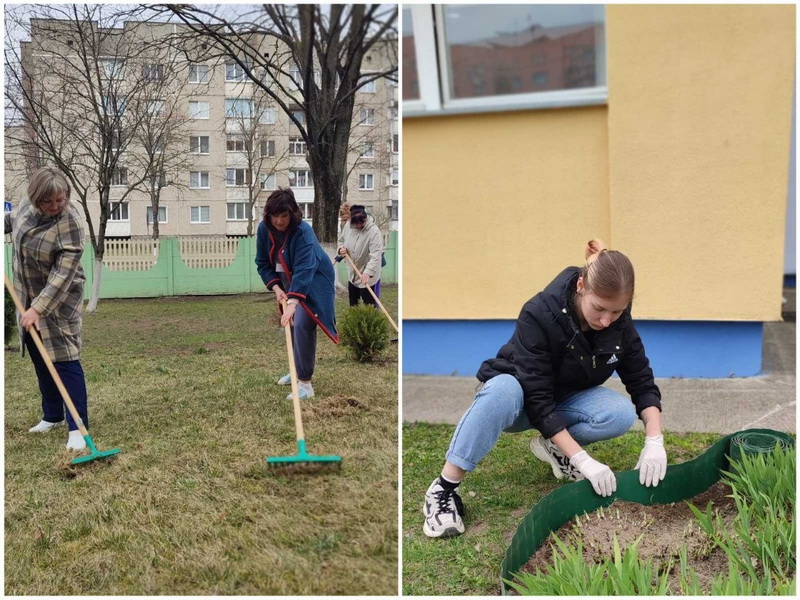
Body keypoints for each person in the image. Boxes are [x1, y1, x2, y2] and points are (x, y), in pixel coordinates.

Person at [422, 239, 668, 538]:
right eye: (599, 309)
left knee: (618, 413)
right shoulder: (539, 313)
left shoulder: (620, 324)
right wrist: (583, 460)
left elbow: (641, 379)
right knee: (503, 391)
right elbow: (537, 399)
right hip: (520, 401)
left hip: (564, 400)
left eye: (616, 312)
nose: (606, 321)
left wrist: (655, 441)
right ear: (581, 286)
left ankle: (555, 448)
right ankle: (443, 489)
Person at [4, 166, 90, 451]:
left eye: (61, 199)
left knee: (64, 359)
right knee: (41, 360)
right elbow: (12, 225)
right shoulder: (26, 212)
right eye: (48, 201)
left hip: (59, 300)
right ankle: (52, 416)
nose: (55, 206)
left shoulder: (70, 223)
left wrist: (39, 308)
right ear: (35, 199)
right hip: (26, 297)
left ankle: (77, 427)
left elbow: (63, 274)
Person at [255, 188, 339, 399]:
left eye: (284, 216)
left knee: (302, 323)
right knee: (291, 325)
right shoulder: (264, 230)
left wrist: (293, 302)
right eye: (275, 216)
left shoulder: (303, 232)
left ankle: (305, 383)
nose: (280, 221)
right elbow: (263, 263)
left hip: (315, 280)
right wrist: (277, 289)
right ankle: (295, 370)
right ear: (269, 215)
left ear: (292, 214)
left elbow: (304, 268)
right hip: (288, 281)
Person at [337, 204, 383, 306]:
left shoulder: (373, 231)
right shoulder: (348, 227)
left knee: (369, 305)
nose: (359, 225)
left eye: (361, 222)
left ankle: (370, 321)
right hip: (352, 273)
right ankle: (355, 321)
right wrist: (341, 249)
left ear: (365, 218)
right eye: (356, 223)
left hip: (367, 275)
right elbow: (341, 241)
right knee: (353, 304)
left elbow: (375, 255)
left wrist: (367, 272)